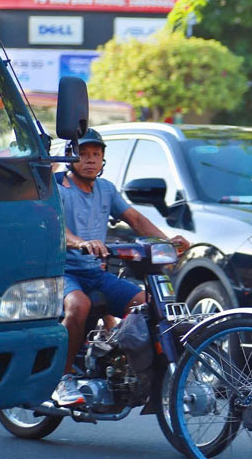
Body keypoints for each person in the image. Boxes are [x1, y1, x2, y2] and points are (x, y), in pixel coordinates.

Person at [56, 128, 190, 406]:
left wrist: (167, 241)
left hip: (95, 272)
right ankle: (64, 377)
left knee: (145, 303)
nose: (90, 160)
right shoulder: (57, 188)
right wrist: (82, 243)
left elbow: (136, 220)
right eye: (83, 154)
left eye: (96, 154)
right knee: (77, 306)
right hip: (63, 271)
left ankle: (121, 366)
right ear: (70, 158)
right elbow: (59, 230)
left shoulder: (106, 189)